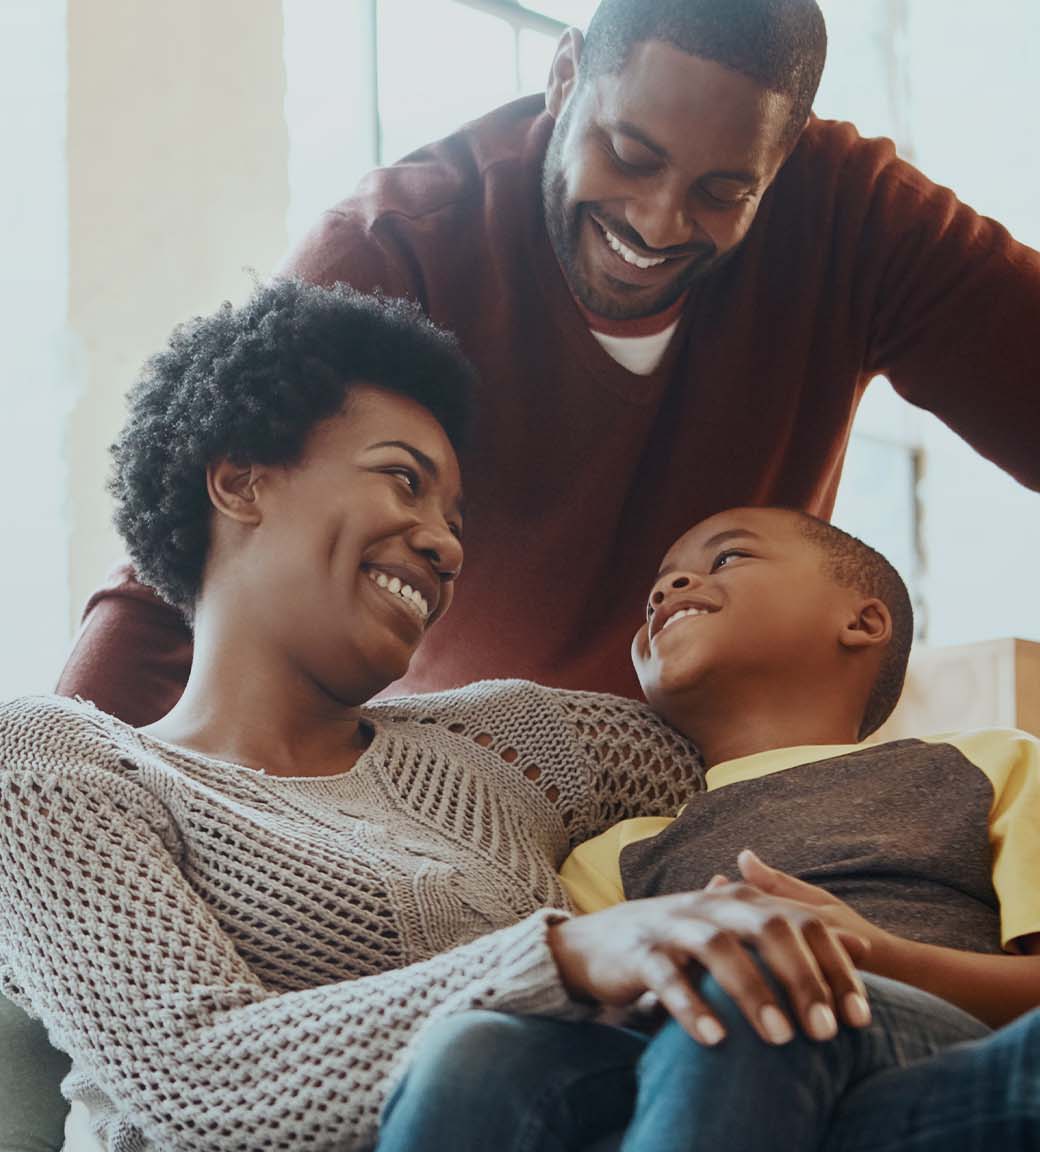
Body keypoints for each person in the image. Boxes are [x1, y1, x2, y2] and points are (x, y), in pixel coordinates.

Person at [0, 280, 893, 1152]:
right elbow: (204, 1078)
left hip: (615, 1145)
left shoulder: (511, 737)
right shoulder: (54, 759)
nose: (444, 542)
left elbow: (766, 738)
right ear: (240, 481)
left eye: (453, 517)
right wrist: (562, 957)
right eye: (402, 482)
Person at [55, 0, 1040, 724]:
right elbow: (187, 566)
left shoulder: (857, 219)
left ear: (782, 165)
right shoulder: (390, 251)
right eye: (629, 152)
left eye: (720, 191)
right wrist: (69, 803)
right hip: (445, 779)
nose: (657, 222)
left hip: (716, 790)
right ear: (563, 76)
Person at [330, 508, 1040, 1152]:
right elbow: (593, 1037)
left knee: (749, 971)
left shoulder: (989, 763)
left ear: (862, 620)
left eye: (727, 557)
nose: (669, 586)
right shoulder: (618, 852)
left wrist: (878, 953)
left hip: (929, 1041)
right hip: (718, 1090)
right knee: (476, 1045)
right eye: (656, 585)